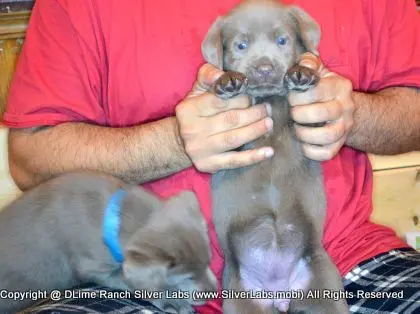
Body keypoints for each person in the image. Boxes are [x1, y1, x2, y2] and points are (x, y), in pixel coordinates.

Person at [3, 0, 420, 313]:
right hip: (141, 279)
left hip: (337, 257)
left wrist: (354, 115)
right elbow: (30, 158)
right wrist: (172, 142)